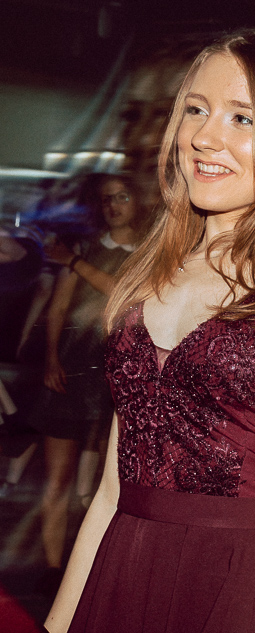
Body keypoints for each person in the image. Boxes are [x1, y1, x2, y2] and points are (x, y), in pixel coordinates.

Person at [45, 26, 255, 633]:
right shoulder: (148, 278)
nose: (205, 136)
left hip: (239, 589)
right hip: (121, 573)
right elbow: (110, 495)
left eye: (242, 119)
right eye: (196, 110)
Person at [26, 173, 142, 592]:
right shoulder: (84, 247)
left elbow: (123, 293)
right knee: (58, 478)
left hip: (121, 376)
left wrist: (72, 262)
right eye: (107, 198)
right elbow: (58, 309)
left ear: (137, 202)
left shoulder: (148, 253)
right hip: (72, 372)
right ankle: (52, 568)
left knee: (110, 484)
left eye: (122, 196)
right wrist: (51, 358)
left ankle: (97, 569)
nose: (113, 205)